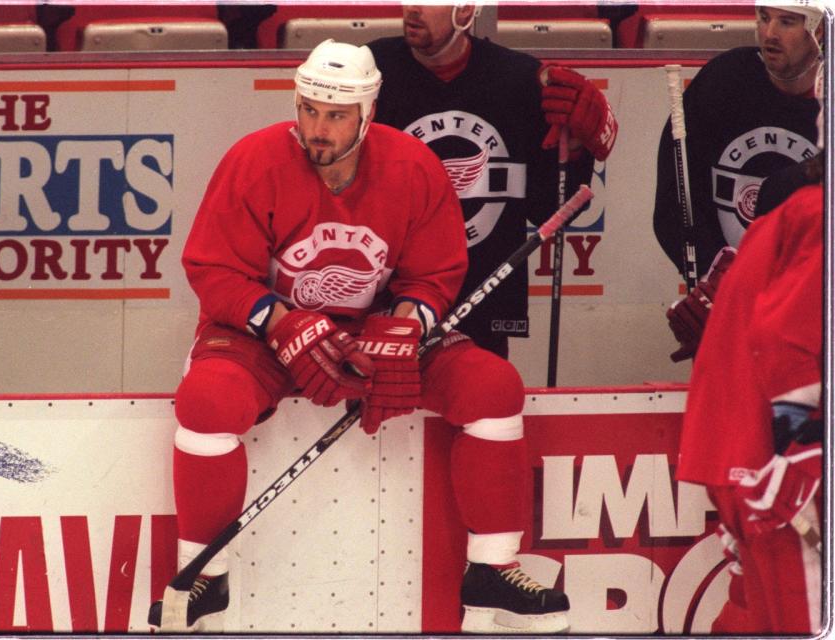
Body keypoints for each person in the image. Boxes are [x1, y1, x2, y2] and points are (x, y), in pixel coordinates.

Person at [148, 39, 570, 634]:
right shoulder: (253, 161)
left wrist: (406, 324)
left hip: (372, 334)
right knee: (206, 403)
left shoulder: (413, 167)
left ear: (367, 114)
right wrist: (280, 321)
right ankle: (201, 576)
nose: (318, 128)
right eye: (309, 109)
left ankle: (492, 571)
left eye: (336, 115)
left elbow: (434, 273)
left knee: (492, 386)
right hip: (268, 333)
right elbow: (215, 269)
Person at [368, 3, 615, 359]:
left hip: (482, 300)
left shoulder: (520, 80)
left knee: (487, 401)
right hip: (386, 301)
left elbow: (547, 208)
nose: (414, 10)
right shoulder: (371, 70)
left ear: (467, 10)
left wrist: (574, 150)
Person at [675, 157, 823, 633]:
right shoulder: (820, 217)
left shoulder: (782, 221)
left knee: (756, 619)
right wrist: (799, 455)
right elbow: (787, 340)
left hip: (747, 464)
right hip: (783, 469)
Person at [654, 1, 822, 362]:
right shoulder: (725, 80)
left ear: (821, 31)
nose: (769, 33)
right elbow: (675, 201)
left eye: (787, 22)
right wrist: (717, 285)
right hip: (731, 311)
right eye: (764, 18)